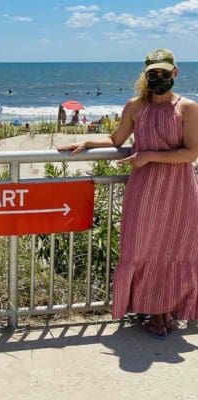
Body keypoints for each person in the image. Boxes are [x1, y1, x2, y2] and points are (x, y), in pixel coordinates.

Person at [58, 49, 198, 338]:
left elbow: (192, 153)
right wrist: (86, 142)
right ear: (145, 74)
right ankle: (155, 309)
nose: (158, 78)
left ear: (175, 72)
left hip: (179, 190)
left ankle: (166, 310)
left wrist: (147, 155)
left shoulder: (187, 108)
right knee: (141, 247)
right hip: (144, 190)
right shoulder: (135, 106)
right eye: (152, 73)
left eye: (163, 72)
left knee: (174, 248)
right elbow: (116, 139)